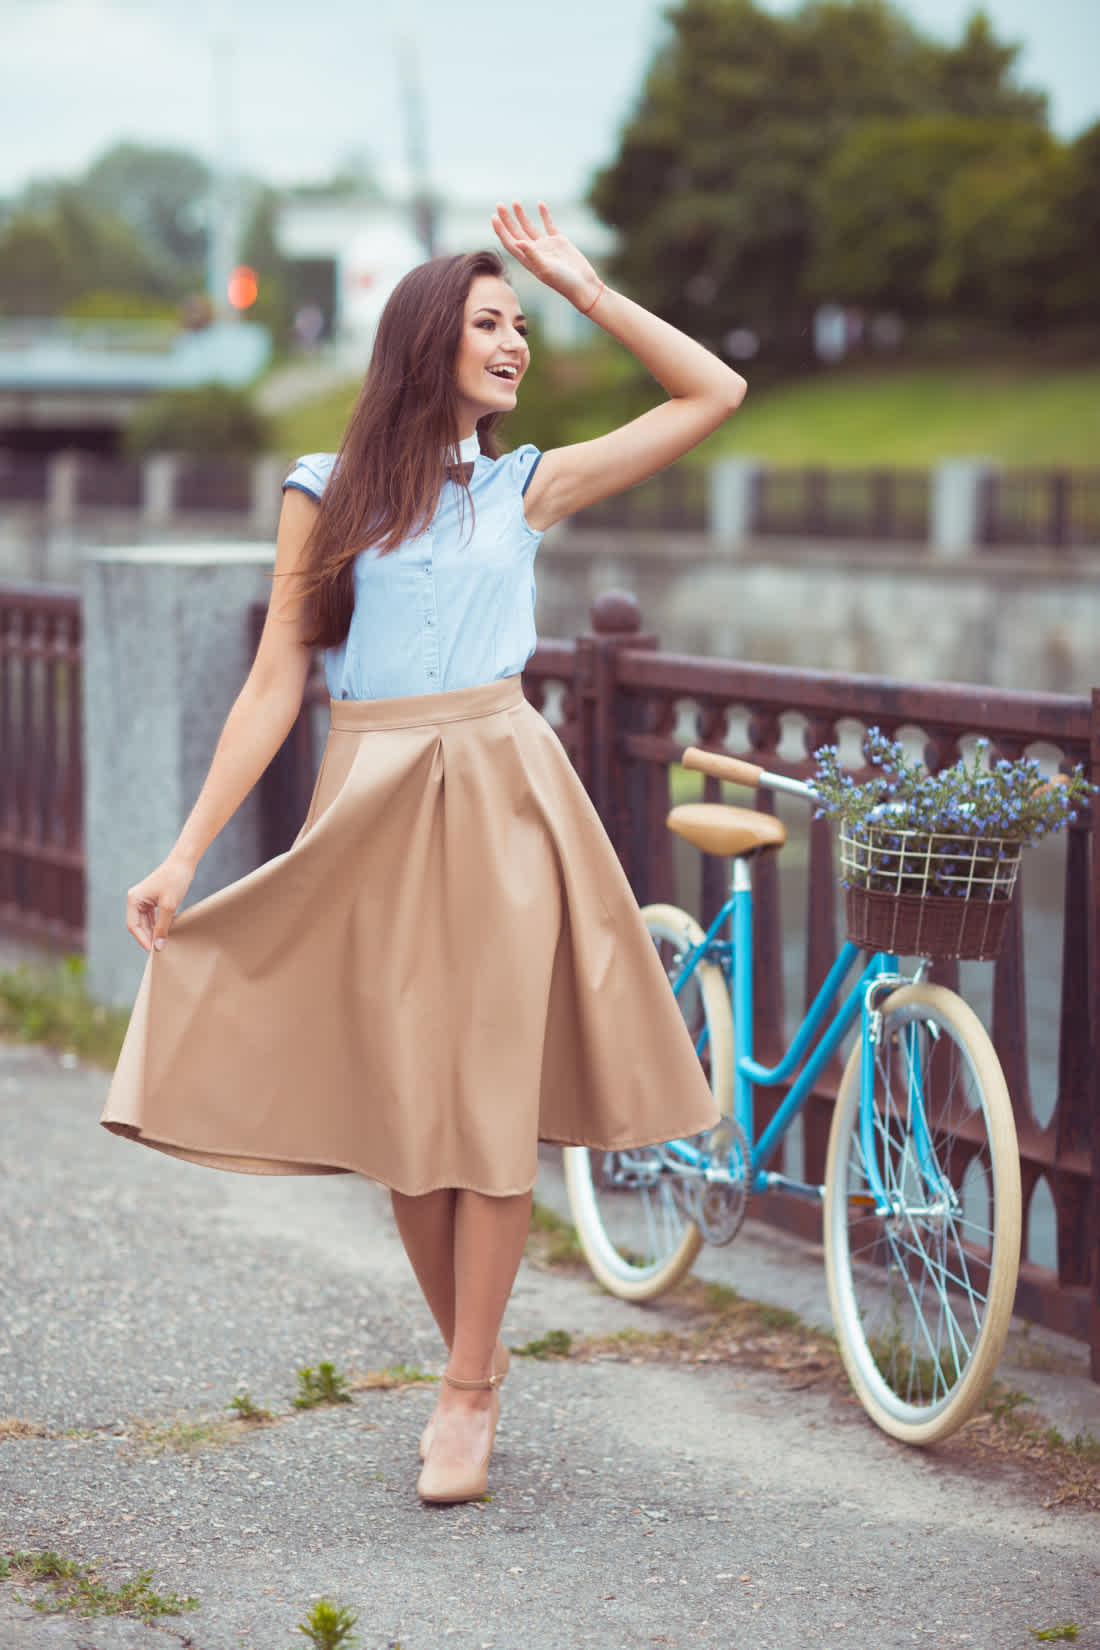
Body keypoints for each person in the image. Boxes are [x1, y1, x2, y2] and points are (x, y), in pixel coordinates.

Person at [101, 202, 747, 1505]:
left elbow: (714, 390)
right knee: (408, 1115)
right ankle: (476, 1344)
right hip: (372, 794)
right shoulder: (323, 493)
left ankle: (466, 1390)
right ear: (423, 344)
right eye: (491, 322)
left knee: (489, 1094)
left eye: (522, 326)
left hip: (506, 788)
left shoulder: (529, 483)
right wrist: (185, 856)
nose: (516, 344)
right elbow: (277, 680)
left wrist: (585, 283)